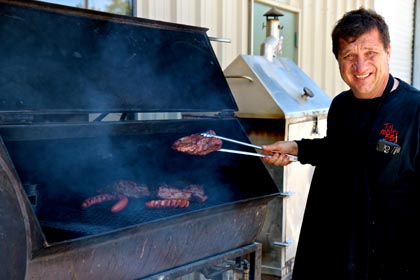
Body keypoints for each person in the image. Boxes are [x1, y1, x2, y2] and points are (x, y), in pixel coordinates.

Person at [262, 7, 420, 280]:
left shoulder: (414, 109)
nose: (360, 67)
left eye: (370, 54)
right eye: (349, 56)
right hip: (335, 245)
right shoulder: (341, 105)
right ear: (338, 60)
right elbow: (340, 151)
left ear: (388, 52)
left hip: (389, 258)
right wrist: (297, 148)